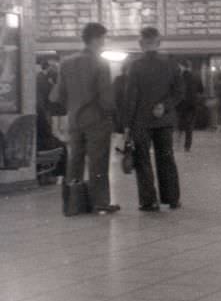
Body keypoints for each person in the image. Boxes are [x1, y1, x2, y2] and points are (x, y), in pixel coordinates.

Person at [50, 23, 120, 214]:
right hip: (97, 120)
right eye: (103, 39)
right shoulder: (101, 64)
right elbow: (106, 97)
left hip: (75, 120)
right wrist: (112, 114)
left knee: (75, 161)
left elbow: (58, 95)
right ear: (96, 39)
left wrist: (73, 107)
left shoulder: (67, 63)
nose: (104, 43)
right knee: (98, 162)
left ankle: (72, 204)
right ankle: (100, 202)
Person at [123, 27, 184, 212]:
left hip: (141, 121)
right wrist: (164, 106)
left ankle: (149, 201)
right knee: (166, 158)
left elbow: (130, 97)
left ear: (141, 44)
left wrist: (126, 124)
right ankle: (171, 199)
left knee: (142, 160)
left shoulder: (135, 66)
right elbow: (180, 92)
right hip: (164, 120)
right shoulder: (171, 64)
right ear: (159, 43)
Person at [176, 60, 204, 151]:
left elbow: (176, 90)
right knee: (189, 126)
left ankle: (178, 144)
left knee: (180, 124)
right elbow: (201, 90)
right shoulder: (196, 76)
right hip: (192, 104)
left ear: (182, 66)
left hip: (181, 104)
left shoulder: (179, 77)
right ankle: (187, 146)